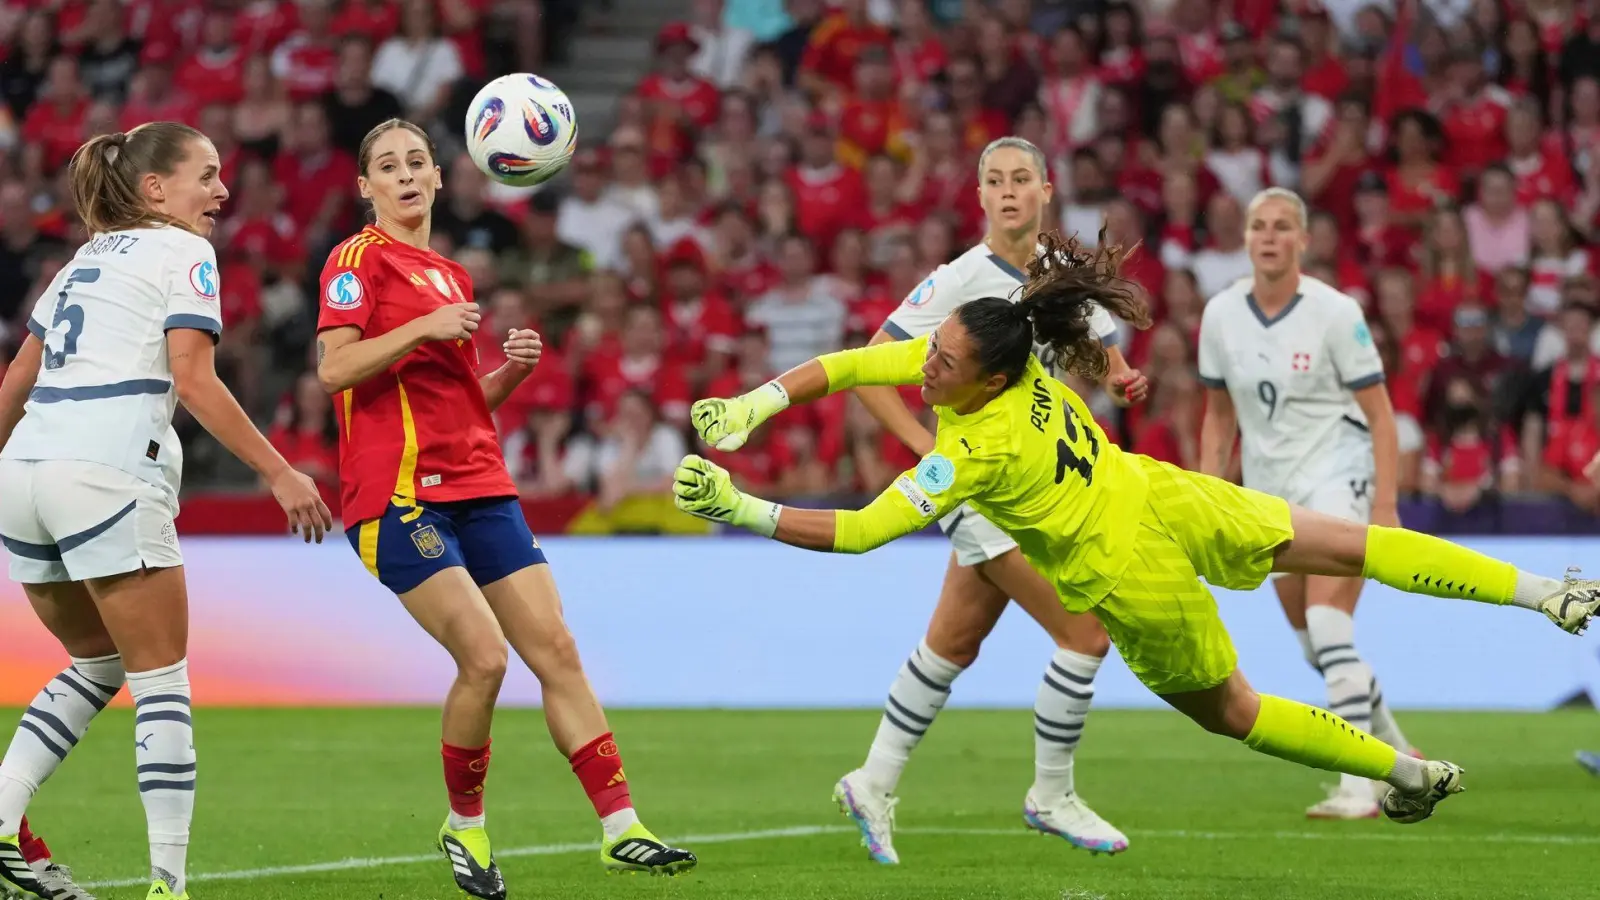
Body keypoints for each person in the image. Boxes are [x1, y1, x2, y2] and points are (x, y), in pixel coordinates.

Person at [674, 230, 1600, 829]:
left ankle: (1400, 771)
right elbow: (844, 365)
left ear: (985, 377)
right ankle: (1546, 592)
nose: (923, 370)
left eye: (941, 361)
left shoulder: (971, 453)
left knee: (1234, 709)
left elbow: (865, 531)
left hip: (1128, 569)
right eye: (931, 349)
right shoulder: (1000, 359)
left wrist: (740, 508)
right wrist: (753, 405)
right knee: (1350, 542)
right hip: (1161, 491)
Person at [313, 119, 695, 900]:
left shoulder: (450, 274)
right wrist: (424, 326)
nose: (407, 174)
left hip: (481, 485)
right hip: (400, 496)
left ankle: (623, 828)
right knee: (485, 659)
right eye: (388, 166)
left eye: (417, 161)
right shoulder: (355, 261)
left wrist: (510, 376)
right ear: (366, 187)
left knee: (555, 649)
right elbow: (335, 369)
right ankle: (466, 824)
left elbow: (459, 406)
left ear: (441, 177)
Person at [0, 122, 333, 900]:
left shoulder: (81, 260)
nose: (221, 192)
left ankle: (2, 813)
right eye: (207, 176)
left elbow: (18, 376)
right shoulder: (185, 252)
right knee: (162, 682)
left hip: (23, 477)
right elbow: (194, 379)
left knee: (97, 661)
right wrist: (280, 471)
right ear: (156, 190)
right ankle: (168, 885)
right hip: (109, 468)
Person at [834, 135, 1148, 864]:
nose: (1008, 191)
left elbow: (1095, 351)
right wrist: (929, 453)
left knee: (952, 643)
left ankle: (872, 781)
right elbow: (870, 369)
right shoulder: (956, 281)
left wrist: (1121, 377)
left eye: (1021, 179)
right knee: (1085, 634)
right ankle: (1051, 793)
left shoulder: (1062, 271)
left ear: (1046, 188)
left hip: (1036, 489)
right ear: (979, 197)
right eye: (995, 181)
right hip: (983, 490)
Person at [1197, 187, 1415, 820]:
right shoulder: (1220, 315)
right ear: (1245, 238)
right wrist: (1211, 495)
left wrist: (1386, 503)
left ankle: (1358, 785)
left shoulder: (1335, 312)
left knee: (1328, 625)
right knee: (1312, 646)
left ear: (1304, 240)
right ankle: (1402, 756)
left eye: (1282, 226)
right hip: (1271, 491)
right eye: (1258, 226)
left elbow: (1381, 416)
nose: (1268, 236)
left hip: (1337, 474)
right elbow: (1218, 417)